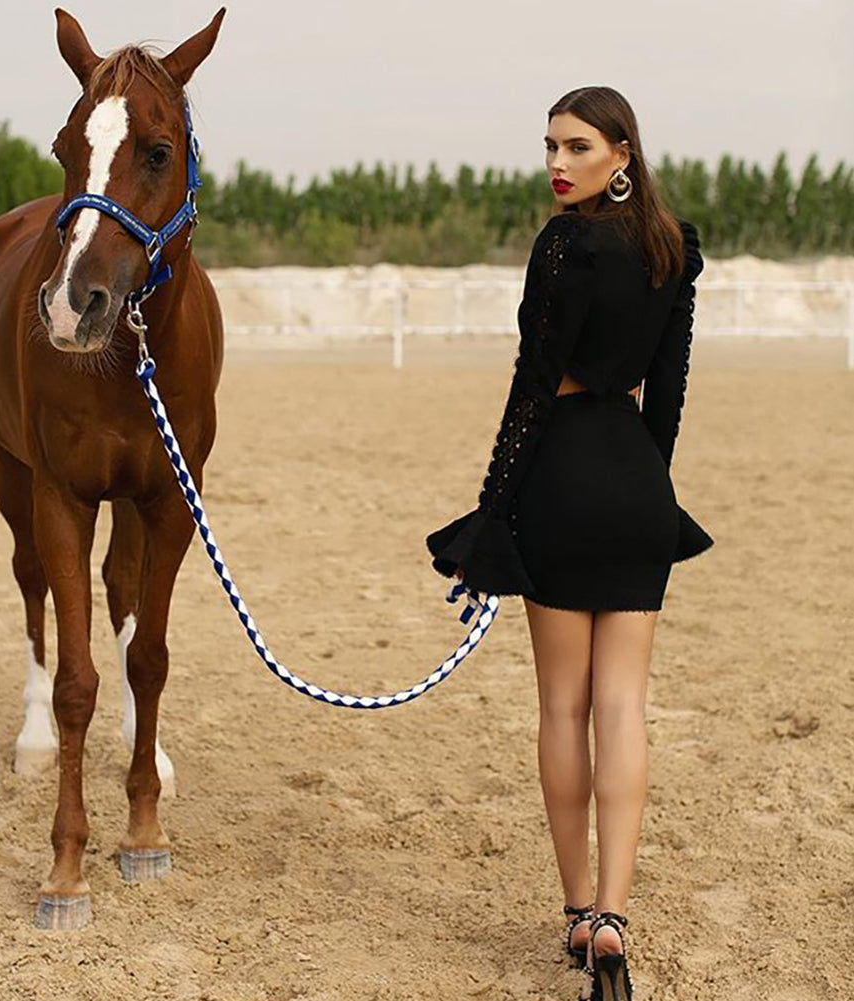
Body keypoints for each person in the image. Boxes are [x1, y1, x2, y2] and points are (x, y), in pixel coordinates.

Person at [426, 86, 713, 1001]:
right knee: (623, 706)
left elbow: (529, 388)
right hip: (634, 482)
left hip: (558, 476)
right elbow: (666, 397)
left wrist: (487, 515)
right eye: (550, 144)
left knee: (563, 706)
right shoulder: (675, 250)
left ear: (621, 154)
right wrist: (643, 485)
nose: (557, 161)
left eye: (576, 146)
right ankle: (615, 921)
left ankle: (577, 912)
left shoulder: (562, 246)